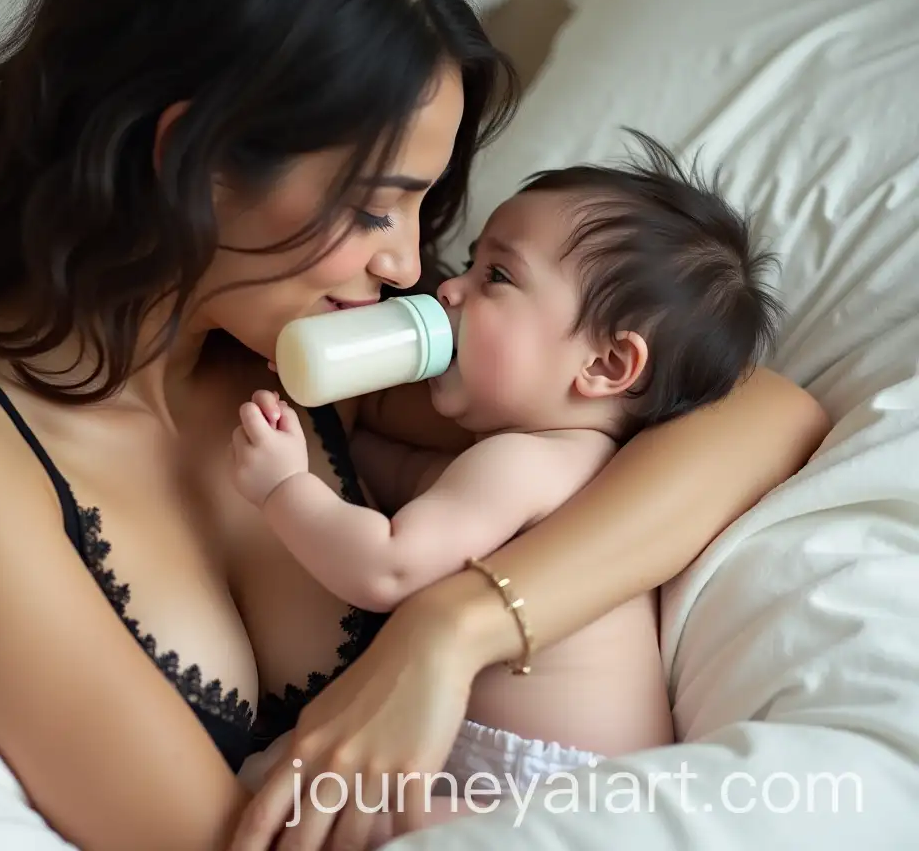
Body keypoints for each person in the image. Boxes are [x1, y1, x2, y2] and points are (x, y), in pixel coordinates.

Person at [0, 0, 830, 850]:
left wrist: (450, 631)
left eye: (420, 211)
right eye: (373, 207)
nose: (409, 268)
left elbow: (758, 409)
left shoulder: (304, 355)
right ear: (194, 153)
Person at [229, 130, 784, 833]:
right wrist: (334, 406)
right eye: (469, 262)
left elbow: (390, 563)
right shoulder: (574, 464)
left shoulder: (520, 463)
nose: (449, 288)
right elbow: (410, 477)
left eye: (498, 277)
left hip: (530, 781)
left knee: (285, 795)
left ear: (608, 366)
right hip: (573, 776)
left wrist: (284, 486)